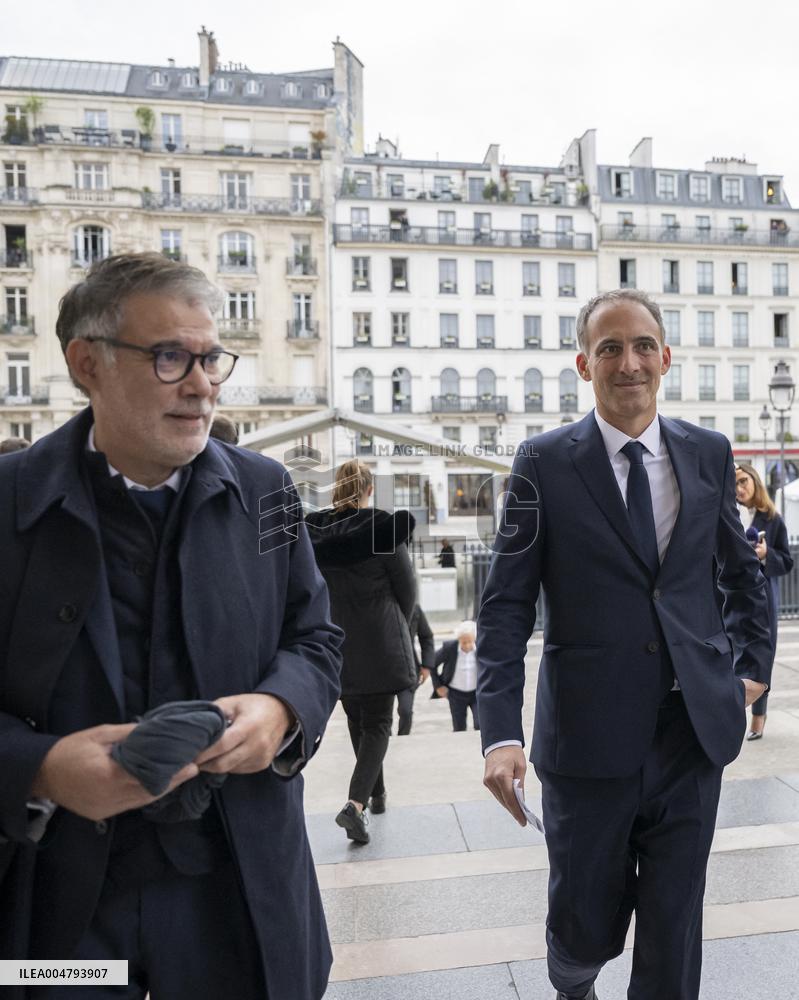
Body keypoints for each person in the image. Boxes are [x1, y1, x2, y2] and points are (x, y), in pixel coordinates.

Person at [0, 253, 343, 1000]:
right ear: (87, 364)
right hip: (60, 916)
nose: (201, 384)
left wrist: (280, 708)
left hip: (233, 894)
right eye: (168, 358)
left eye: (210, 358)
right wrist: (41, 766)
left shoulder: (267, 489)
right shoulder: (7, 502)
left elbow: (315, 640)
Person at [477, 288, 770, 1000]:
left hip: (690, 732)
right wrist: (497, 734)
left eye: (641, 346)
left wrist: (749, 672)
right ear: (584, 364)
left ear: (665, 358)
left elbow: (740, 573)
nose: (628, 362)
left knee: (674, 929)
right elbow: (506, 603)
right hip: (585, 741)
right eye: (609, 348)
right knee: (582, 921)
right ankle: (572, 981)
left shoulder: (706, 452)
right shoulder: (541, 463)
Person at [305, 461, 416, 842]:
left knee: (358, 719)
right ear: (368, 490)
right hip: (381, 637)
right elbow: (408, 590)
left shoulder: (314, 533)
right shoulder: (382, 528)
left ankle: (377, 793)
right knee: (379, 723)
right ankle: (355, 804)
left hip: (337, 640)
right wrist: (401, 624)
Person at [735, 461, 794, 740]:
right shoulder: (729, 515)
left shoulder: (772, 519)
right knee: (731, 652)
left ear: (755, 481)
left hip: (762, 594)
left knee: (763, 654)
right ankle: (734, 711)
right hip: (731, 595)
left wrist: (765, 556)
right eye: (734, 483)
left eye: (743, 481)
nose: (739, 488)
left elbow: (787, 561)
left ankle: (758, 717)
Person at [431, 621, 480, 731]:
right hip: (456, 694)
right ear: (458, 640)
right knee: (459, 728)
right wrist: (438, 686)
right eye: (463, 642)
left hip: (477, 693)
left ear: (474, 639)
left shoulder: (481, 647)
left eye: (470, 642)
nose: (467, 645)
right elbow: (431, 663)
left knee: (480, 725)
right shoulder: (449, 648)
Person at [396, 604, 434, 735]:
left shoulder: (414, 608)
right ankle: (384, 740)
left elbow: (426, 636)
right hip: (383, 668)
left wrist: (427, 666)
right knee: (383, 715)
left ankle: (402, 737)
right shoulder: (378, 603)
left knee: (405, 711)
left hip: (409, 668)